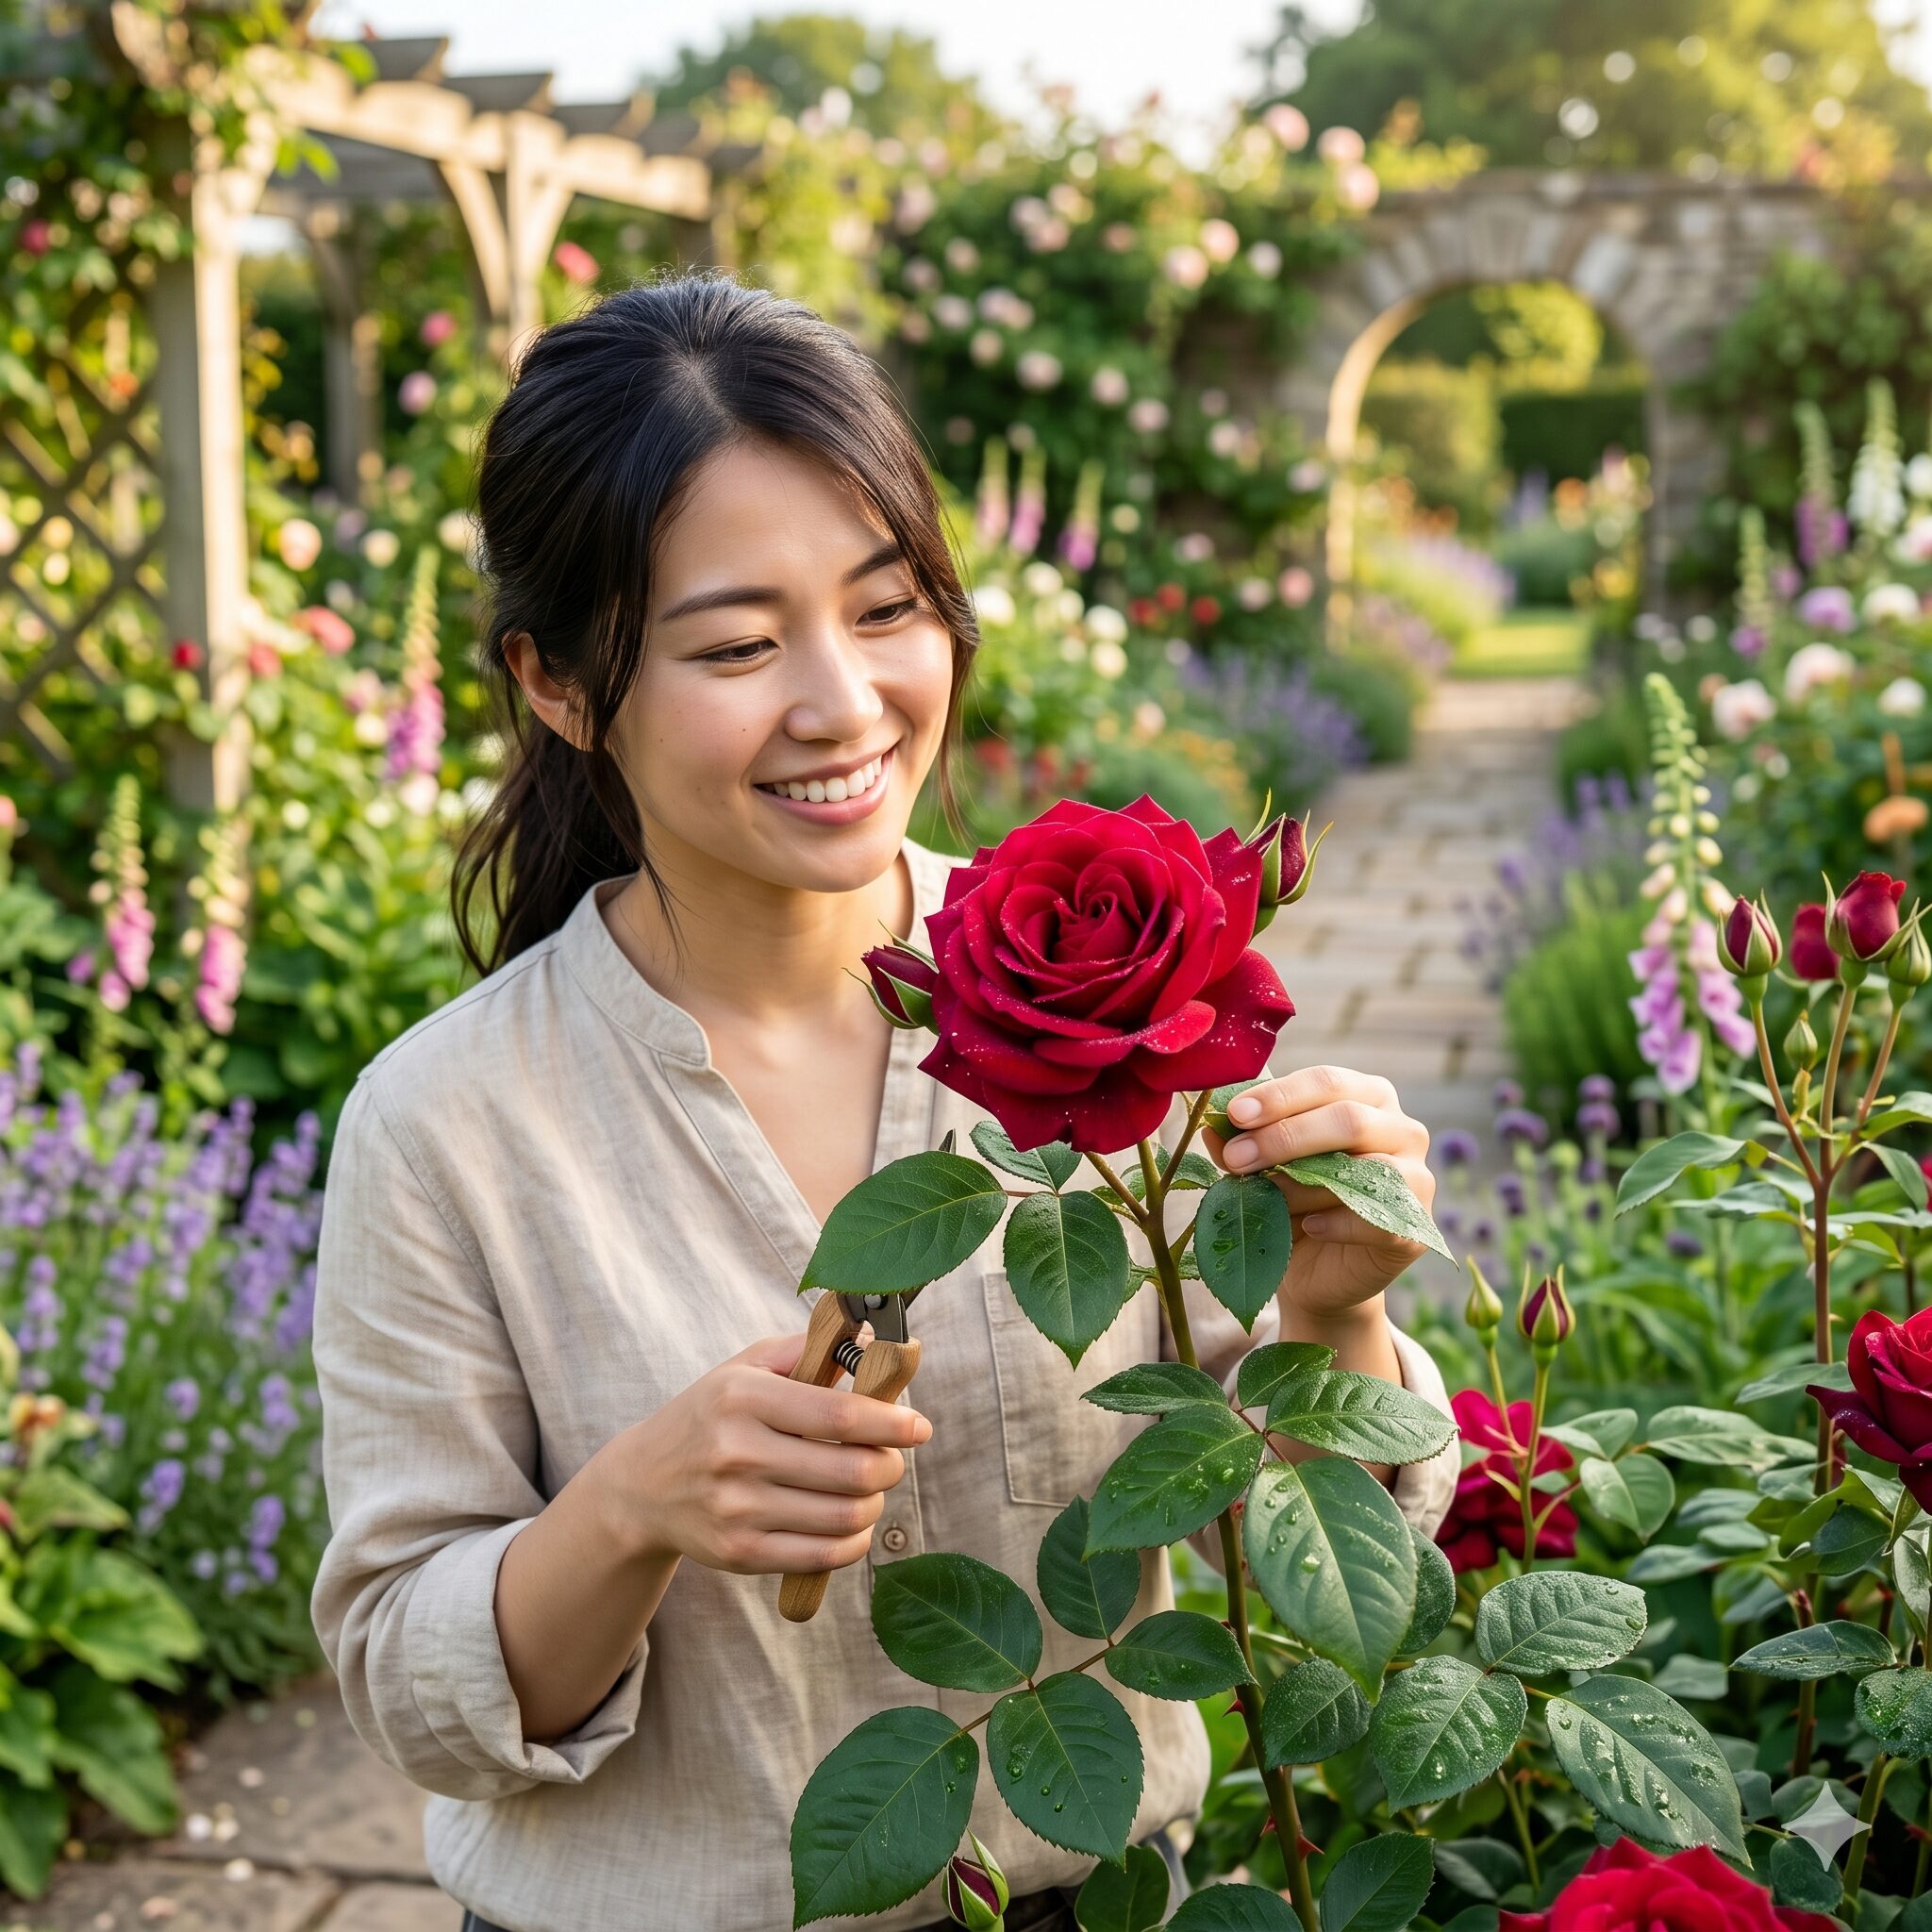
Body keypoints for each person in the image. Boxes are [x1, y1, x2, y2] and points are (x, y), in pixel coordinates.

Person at [309, 271, 1457, 1932]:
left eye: (885, 606)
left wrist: (1333, 1319)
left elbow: (1294, 1572)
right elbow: (417, 1690)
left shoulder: (1110, 992)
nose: (843, 704)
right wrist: (633, 1508)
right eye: (735, 644)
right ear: (561, 686)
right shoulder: (450, 1123)